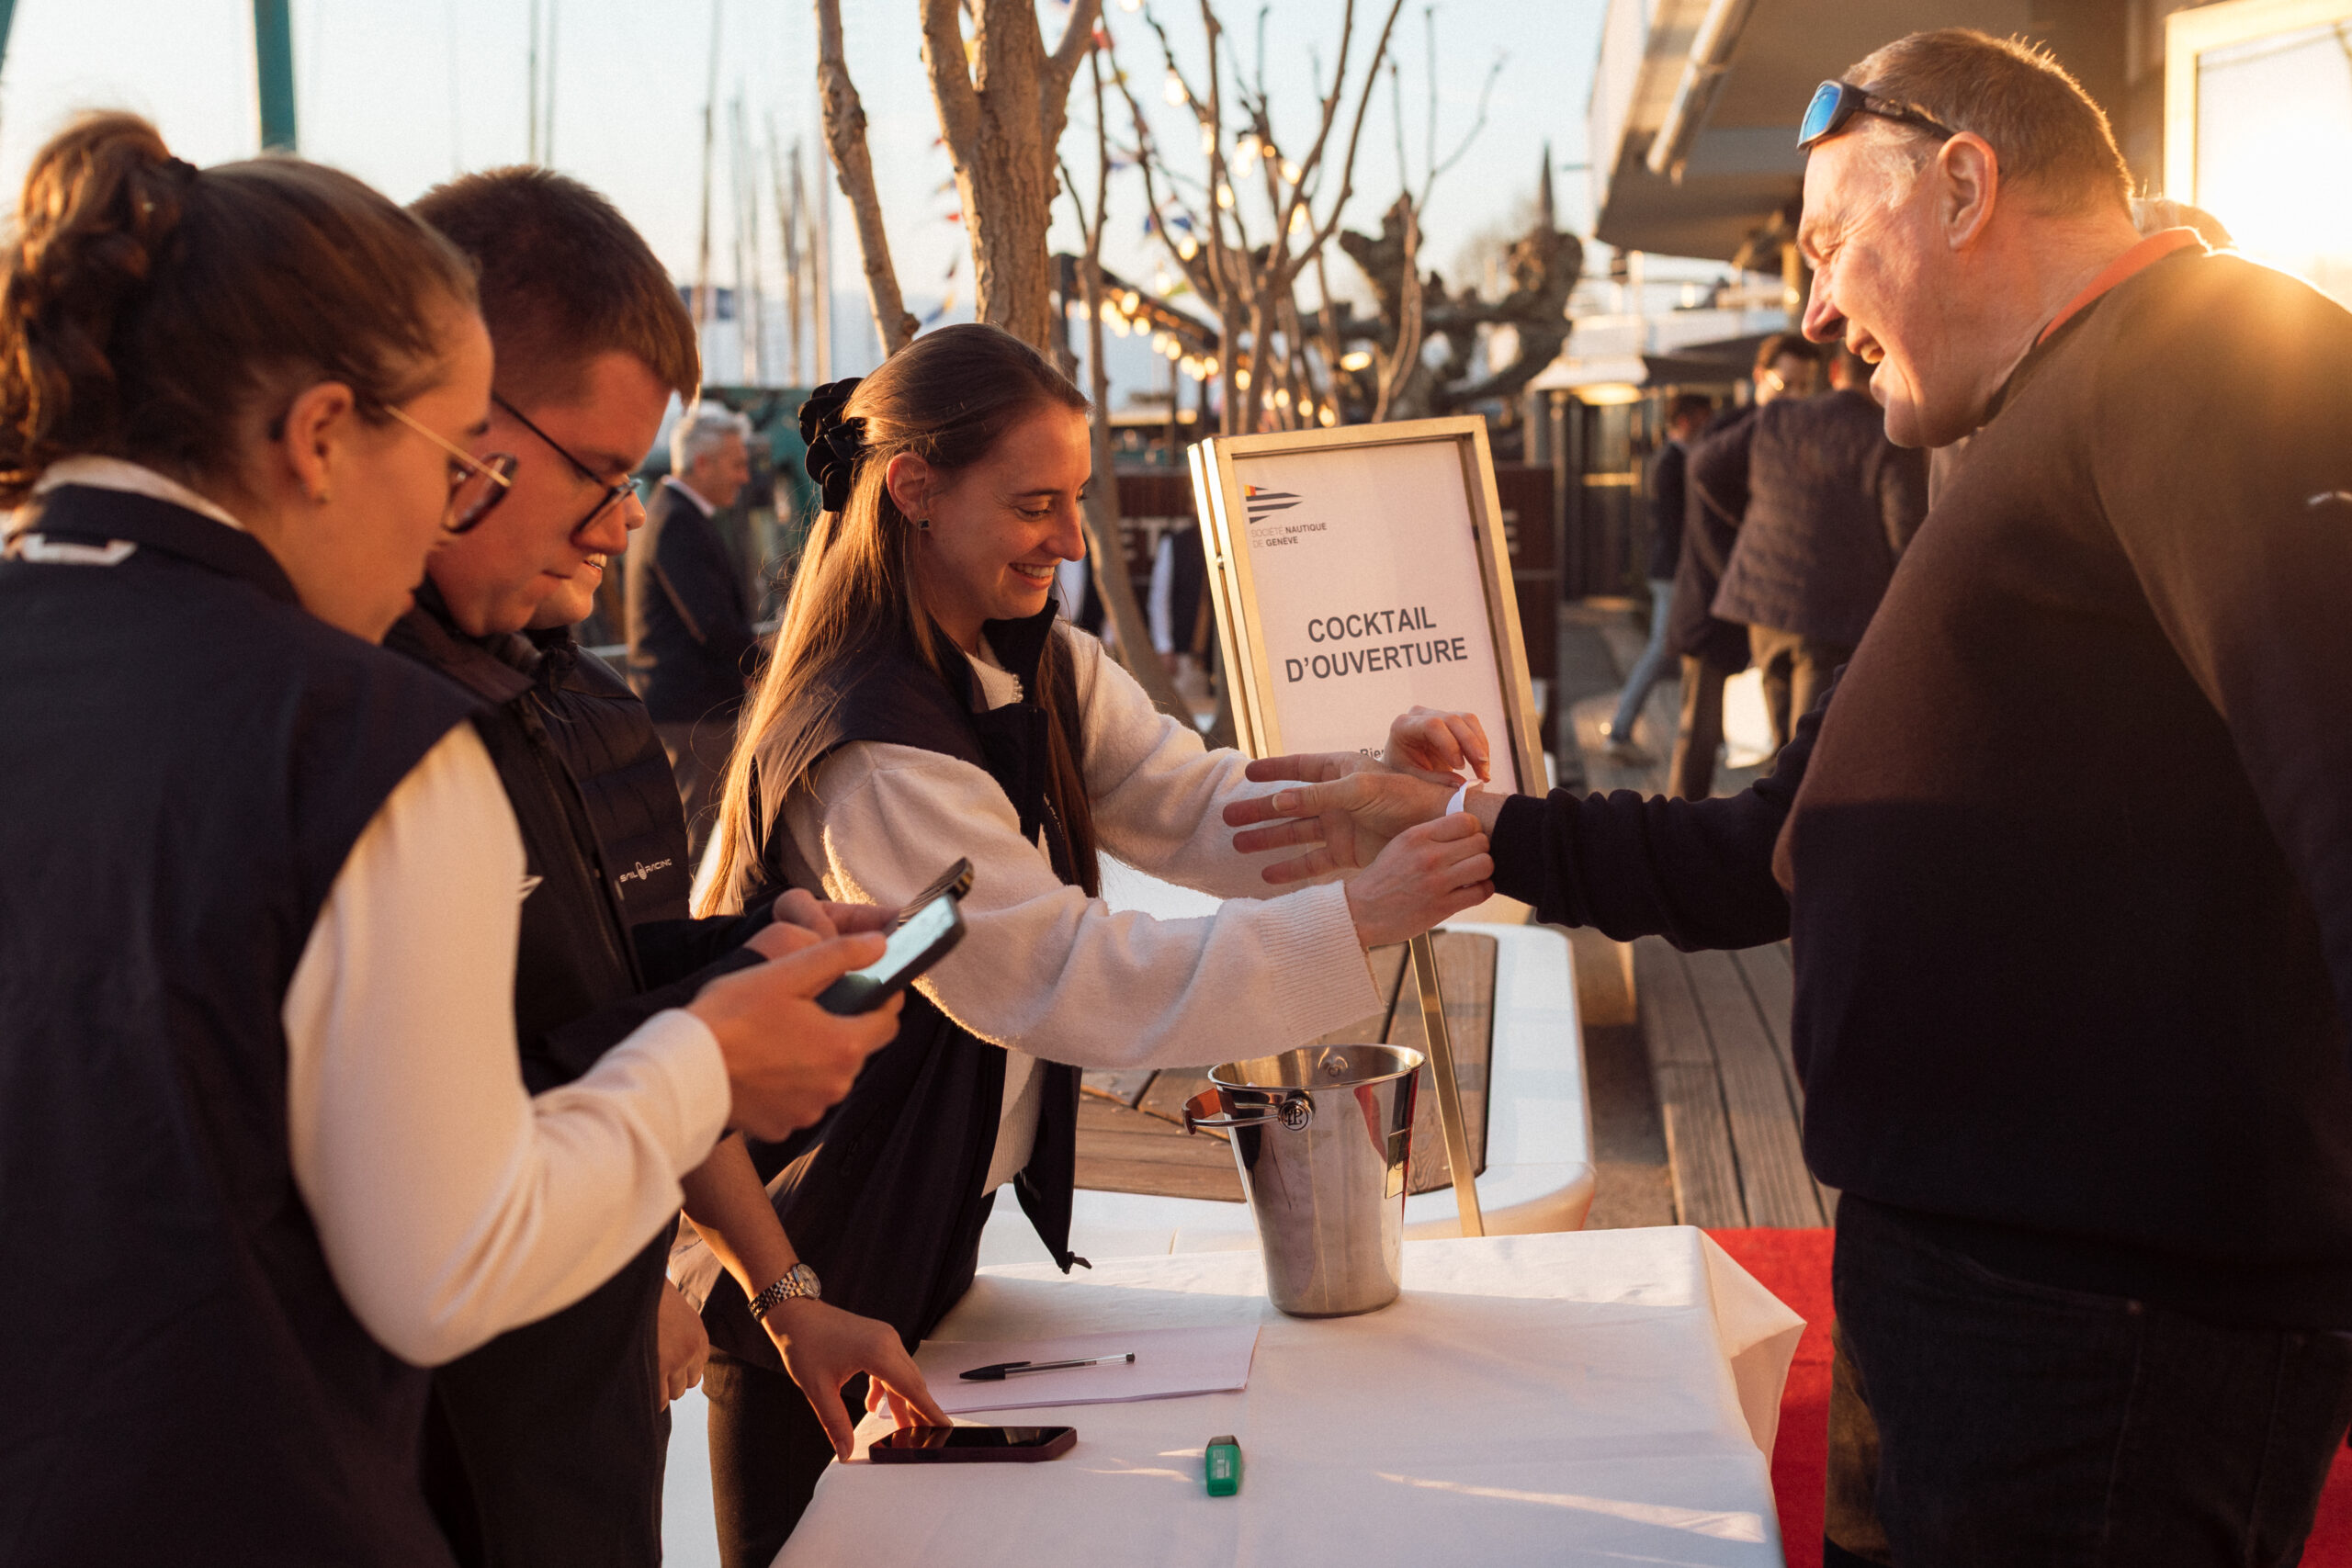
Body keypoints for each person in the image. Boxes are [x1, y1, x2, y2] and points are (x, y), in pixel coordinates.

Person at [1232, 28, 2352, 1566]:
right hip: (1973, 1292)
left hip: (2112, 1331)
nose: (1814, 311)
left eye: (1828, 246)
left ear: (1964, 186)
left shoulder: (2212, 355)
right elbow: (1775, 841)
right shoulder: (2027, 429)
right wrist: (1470, 830)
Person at [0, 116, 903, 1566]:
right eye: (447, 462)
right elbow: (449, 1258)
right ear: (321, 436)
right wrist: (701, 1062)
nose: (449, 508)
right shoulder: (354, 733)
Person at [689, 322, 1494, 1564]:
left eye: (1075, 500)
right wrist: (1362, 914)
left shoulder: (1035, 662)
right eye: (1035, 504)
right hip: (810, 1253)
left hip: (922, 1220)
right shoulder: (871, 749)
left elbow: (1189, 798)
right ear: (915, 489)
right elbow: (1071, 978)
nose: (1070, 540)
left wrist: (1361, 799)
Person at [390, 166, 944, 1568]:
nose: (620, 521)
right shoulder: (349, 738)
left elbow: (616, 1014)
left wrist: (784, 1286)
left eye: (633, 481)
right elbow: (419, 1144)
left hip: (595, 1411)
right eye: (597, 472)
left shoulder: (582, 702)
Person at [1712, 341, 1927, 752]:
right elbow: (1905, 536)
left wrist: (1751, 522)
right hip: (1832, 614)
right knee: (1808, 752)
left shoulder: (1779, 416)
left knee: (1782, 746)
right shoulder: (1886, 435)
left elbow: (1705, 466)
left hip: (1764, 602)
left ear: (1833, 373)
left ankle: (1777, 794)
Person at [1666, 334, 1813, 798]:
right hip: (1717, 607)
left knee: (1776, 738)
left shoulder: (1794, 433)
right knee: (1699, 735)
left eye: (1804, 387)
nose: (1795, 397)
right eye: (1785, 384)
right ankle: (1677, 831)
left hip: (1763, 611)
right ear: (1759, 378)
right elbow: (1707, 531)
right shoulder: (1732, 433)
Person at [628, 401, 758, 854]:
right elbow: (711, 624)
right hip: (694, 716)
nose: (744, 476)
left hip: (687, 709)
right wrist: (771, 665)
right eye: (737, 464)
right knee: (704, 839)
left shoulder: (671, 513)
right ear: (702, 462)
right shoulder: (678, 523)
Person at [1604, 391, 1713, 763]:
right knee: (1662, 651)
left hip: (1672, 570)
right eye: (1703, 418)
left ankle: (1696, 733)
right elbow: (1676, 525)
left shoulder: (1673, 460)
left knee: (1675, 653)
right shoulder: (1673, 463)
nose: (1708, 426)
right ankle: (1619, 731)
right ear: (1685, 420)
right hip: (1675, 572)